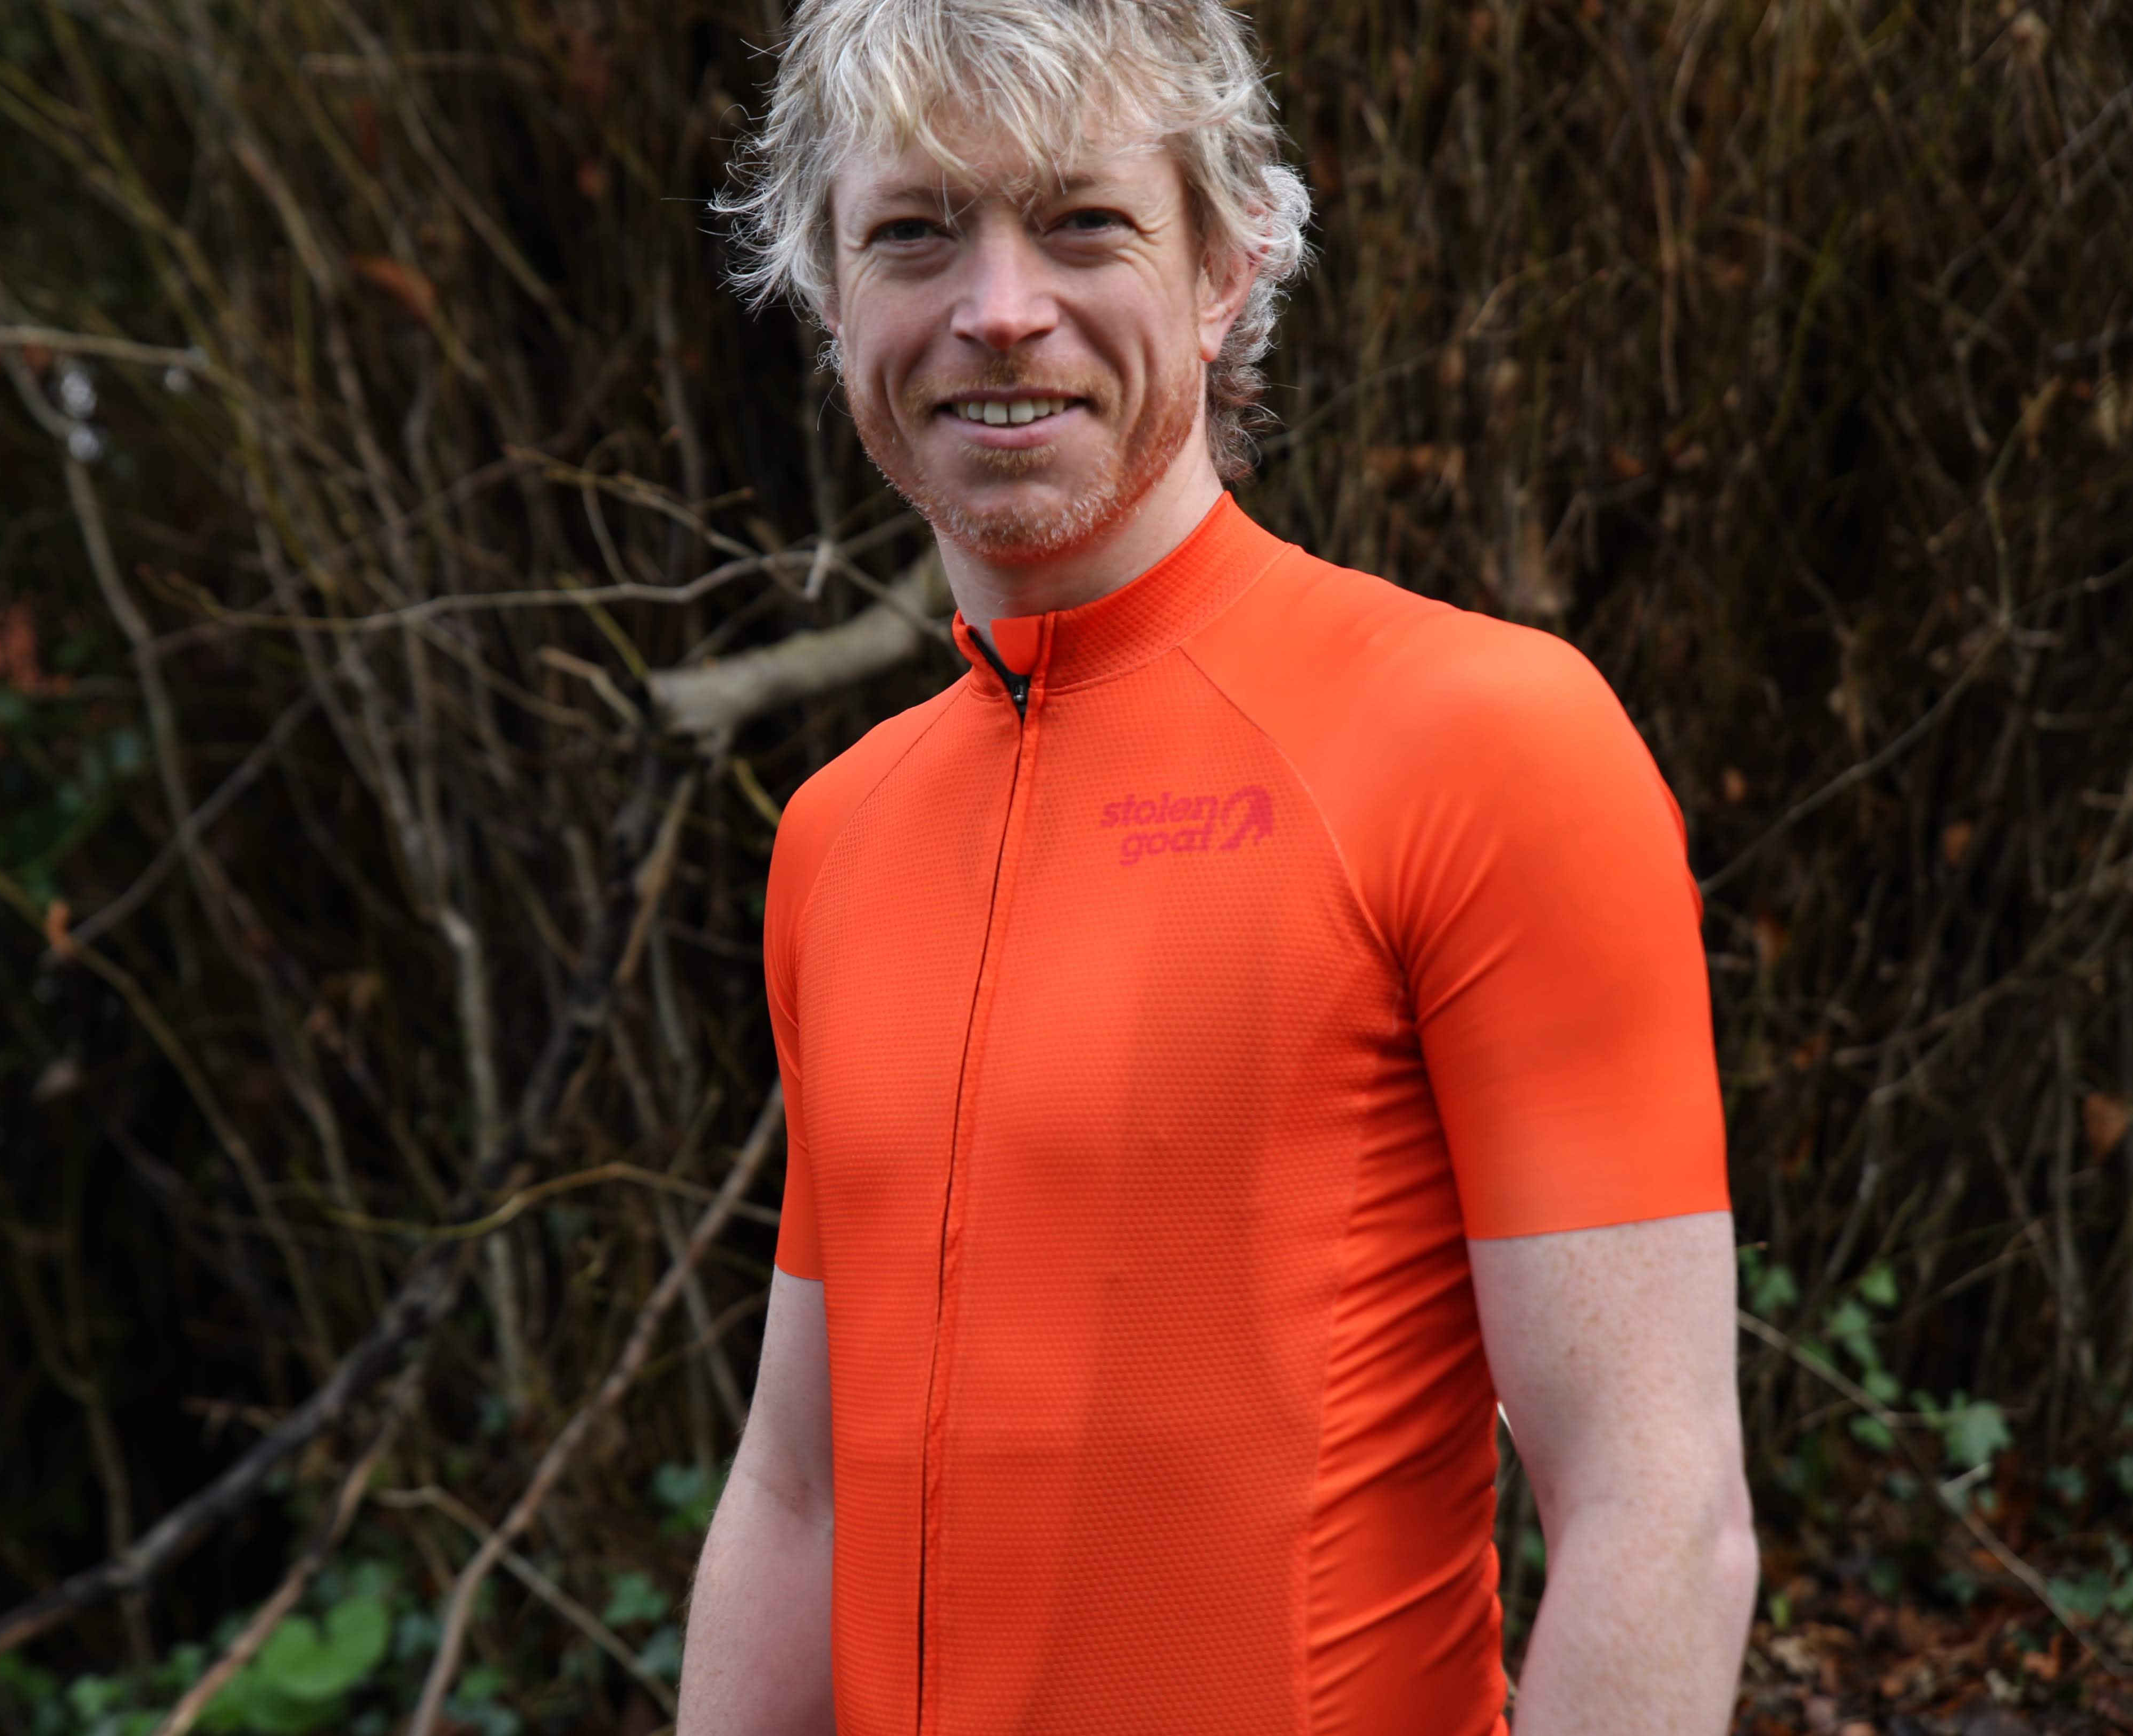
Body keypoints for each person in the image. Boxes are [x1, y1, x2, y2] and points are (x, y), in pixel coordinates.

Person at [677, 2, 1758, 1731]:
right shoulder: (837, 838)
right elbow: (798, 1496)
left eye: (1082, 221)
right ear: (826, 290)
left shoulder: (1485, 741)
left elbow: (1658, 1513)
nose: (998, 306)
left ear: (1224, 265)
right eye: (915, 232)